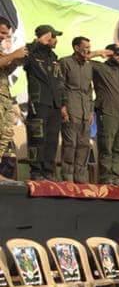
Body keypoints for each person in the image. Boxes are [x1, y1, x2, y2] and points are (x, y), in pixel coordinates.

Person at [23, 25, 65, 180]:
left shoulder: (53, 57)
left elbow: (60, 82)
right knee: (37, 138)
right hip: (39, 102)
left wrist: (63, 104)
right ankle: (36, 172)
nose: (56, 40)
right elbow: (26, 60)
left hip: (54, 104)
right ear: (46, 36)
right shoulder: (31, 51)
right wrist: (38, 41)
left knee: (52, 140)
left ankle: (48, 172)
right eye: (53, 36)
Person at [91, 44, 119, 184]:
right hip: (107, 112)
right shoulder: (101, 68)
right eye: (117, 53)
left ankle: (116, 177)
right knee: (106, 146)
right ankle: (106, 178)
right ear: (109, 54)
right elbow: (82, 58)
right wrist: (99, 52)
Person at [58, 37, 97, 183]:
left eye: (89, 47)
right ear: (76, 48)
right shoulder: (65, 62)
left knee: (84, 145)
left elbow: (89, 90)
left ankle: (80, 177)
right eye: (85, 47)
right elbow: (60, 86)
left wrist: (91, 110)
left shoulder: (88, 66)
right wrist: (63, 107)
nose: (88, 50)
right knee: (70, 144)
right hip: (70, 108)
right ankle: (67, 176)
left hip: (85, 111)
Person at [0, 17, 27, 181]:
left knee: (4, 134)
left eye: (6, 34)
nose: (3, 37)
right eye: (2, 32)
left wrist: (16, 62)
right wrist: (14, 54)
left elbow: (5, 69)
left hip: (4, 98)